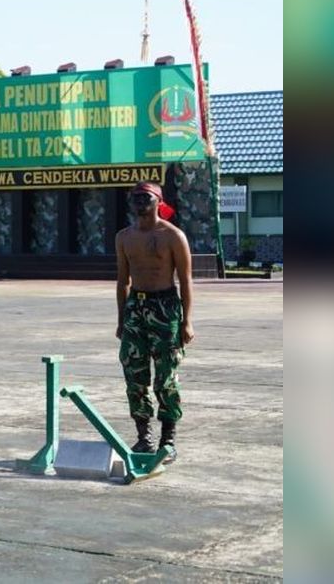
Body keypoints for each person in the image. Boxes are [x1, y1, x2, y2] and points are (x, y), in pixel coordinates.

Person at [115, 181, 193, 464]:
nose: (139, 201)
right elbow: (123, 281)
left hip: (166, 307)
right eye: (135, 197)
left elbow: (185, 280)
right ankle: (143, 436)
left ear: (158, 201)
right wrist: (122, 319)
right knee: (134, 373)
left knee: (166, 377)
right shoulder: (124, 237)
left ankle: (168, 439)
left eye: (145, 197)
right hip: (137, 306)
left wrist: (187, 322)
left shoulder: (173, 236)